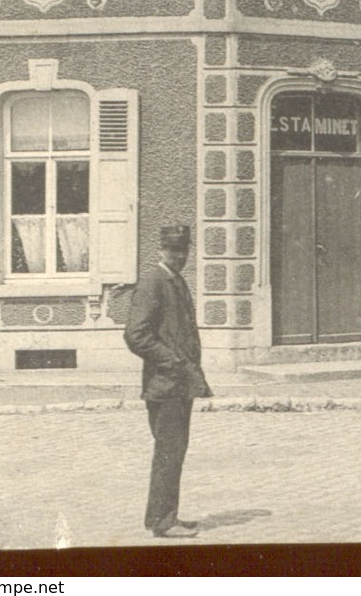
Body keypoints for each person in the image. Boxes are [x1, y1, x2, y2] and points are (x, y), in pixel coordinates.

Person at [124, 223, 211, 538]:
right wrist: (172, 360)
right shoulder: (154, 283)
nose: (178, 256)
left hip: (178, 384)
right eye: (173, 250)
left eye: (183, 250)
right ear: (160, 250)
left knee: (174, 450)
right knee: (169, 450)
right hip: (165, 384)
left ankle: (165, 515)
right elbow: (136, 335)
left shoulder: (176, 282)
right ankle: (162, 521)